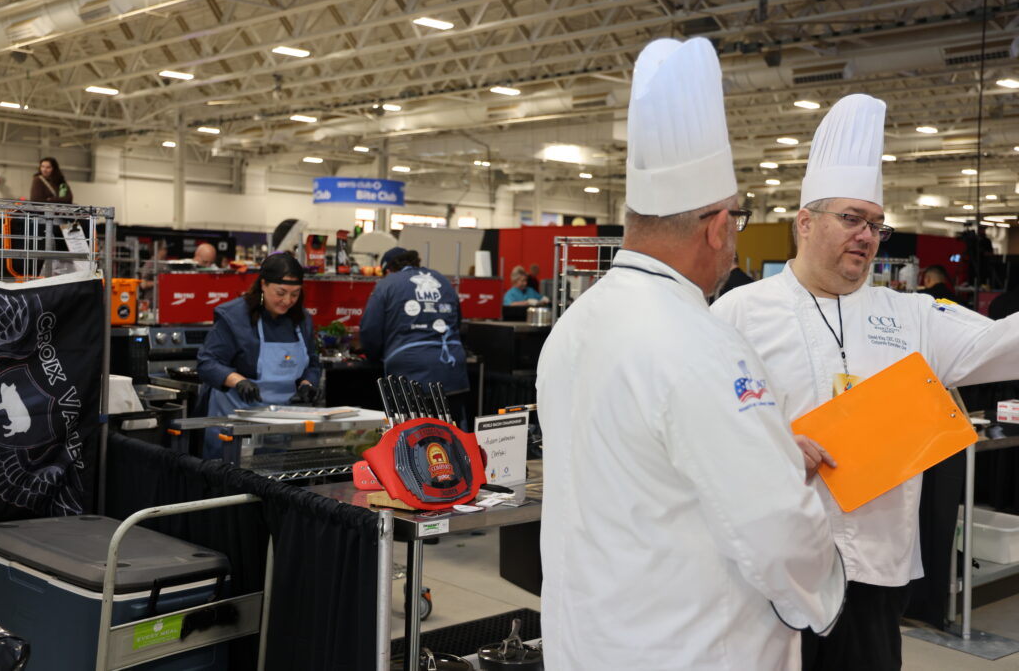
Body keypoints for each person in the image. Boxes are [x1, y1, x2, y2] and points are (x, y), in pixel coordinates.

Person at [537, 37, 845, 671]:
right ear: (716, 226)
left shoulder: (575, 325)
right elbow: (775, 526)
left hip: (591, 639)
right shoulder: (701, 342)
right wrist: (826, 580)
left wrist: (767, 449)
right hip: (691, 645)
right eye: (738, 219)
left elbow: (644, 468)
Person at [712, 93, 1019, 671]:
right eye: (851, 219)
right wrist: (771, 447)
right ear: (805, 222)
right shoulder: (741, 312)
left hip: (876, 568)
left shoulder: (912, 315)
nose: (867, 235)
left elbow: (1001, 345)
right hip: (772, 567)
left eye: (876, 224)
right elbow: (701, 422)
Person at [197, 252, 320, 459]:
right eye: (280, 293)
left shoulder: (301, 320)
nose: (287, 301)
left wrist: (307, 383)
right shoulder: (234, 317)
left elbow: (313, 363)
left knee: (269, 480)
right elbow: (207, 363)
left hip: (278, 424)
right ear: (263, 284)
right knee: (228, 484)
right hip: (233, 422)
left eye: (295, 294)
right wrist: (239, 382)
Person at [360, 247, 470, 427]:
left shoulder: (387, 284)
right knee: (453, 437)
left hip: (410, 377)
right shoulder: (443, 280)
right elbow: (457, 323)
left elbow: (370, 331)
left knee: (415, 440)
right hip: (452, 373)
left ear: (388, 270)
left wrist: (374, 356)